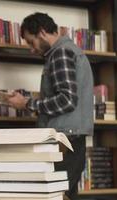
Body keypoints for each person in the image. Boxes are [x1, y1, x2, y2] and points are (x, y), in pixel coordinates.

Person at [7, 12, 93, 199]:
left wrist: (27, 103)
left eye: (31, 42)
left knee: (57, 195)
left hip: (64, 140)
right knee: (64, 195)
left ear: (42, 32)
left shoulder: (60, 53)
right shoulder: (69, 51)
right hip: (70, 139)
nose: (31, 49)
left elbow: (67, 100)